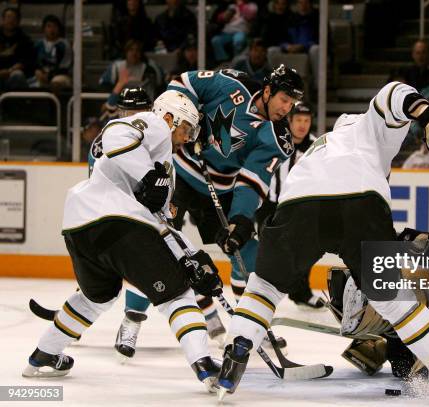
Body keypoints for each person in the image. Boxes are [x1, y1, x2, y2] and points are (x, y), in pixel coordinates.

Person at [215, 81, 429, 403]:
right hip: (360, 200)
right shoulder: (368, 127)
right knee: (392, 299)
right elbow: (392, 93)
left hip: (298, 203)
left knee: (264, 288)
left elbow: (330, 206)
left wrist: (405, 240)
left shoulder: (319, 148)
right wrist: (427, 112)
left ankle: (234, 358)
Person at [22, 90, 224, 393]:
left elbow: (160, 222)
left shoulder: (162, 164)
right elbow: (115, 132)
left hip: (80, 226)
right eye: (185, 128)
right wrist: (148, 176)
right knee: (177, 295)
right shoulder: (155, 125)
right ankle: (206, 367)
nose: (186, 137)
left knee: (96, 297)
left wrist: (192, 256)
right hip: (119, 223)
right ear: (169, 117)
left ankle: (45, 354)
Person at [114, 65, 305, 357]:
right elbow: (181, 83)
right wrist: (193, 118)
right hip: (177, 174)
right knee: (154, 247)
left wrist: (240, 220)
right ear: (267, 91)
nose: (286, 108)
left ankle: (250, 326)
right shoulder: (229, 84)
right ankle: (132, 320)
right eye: (283, 99)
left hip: (223, 189)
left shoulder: (277, 137)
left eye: (292, 103)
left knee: (246, 253)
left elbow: (252, 180)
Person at [254, 101, 323, 309]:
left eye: (307, 120)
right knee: (266, 250)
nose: (303, 125)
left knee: (306, 249)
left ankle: (300, 292)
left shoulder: (316, 146)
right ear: (289, 121)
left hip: (297, 206)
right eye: (299, 120)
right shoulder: (274, 139)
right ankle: (258, 294)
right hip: (269, 204)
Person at [99, 40, 165, 112]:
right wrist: (120, 84)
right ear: (126, 52)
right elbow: (107, 106)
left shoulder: (148, 70)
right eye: (131, 50)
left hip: (141, 108)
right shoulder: (116, 67)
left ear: (141, 53)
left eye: (137, 50)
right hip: (118, 107)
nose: (134, 53)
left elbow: (150, 98)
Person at [30, 14, 72, 92]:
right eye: (49, 26)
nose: (52, 29)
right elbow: (33, 63)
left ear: (59, 29)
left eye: (55, 26)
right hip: (41, 75)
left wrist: (49, 75)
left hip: (60, 75)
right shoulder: (38, 44)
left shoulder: (64, 44)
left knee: (56, 82)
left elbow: (65, 66)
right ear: (43, 29)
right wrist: (38, 71)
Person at [0, 7, 34, 91]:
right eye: (8, 17)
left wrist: (10, 70)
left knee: (18, 75)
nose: (10, 21)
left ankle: (15, 104)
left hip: (13, 74)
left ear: (18, 22)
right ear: (3, 20)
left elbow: (27, 61)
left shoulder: (25, 40)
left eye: (14, 18)